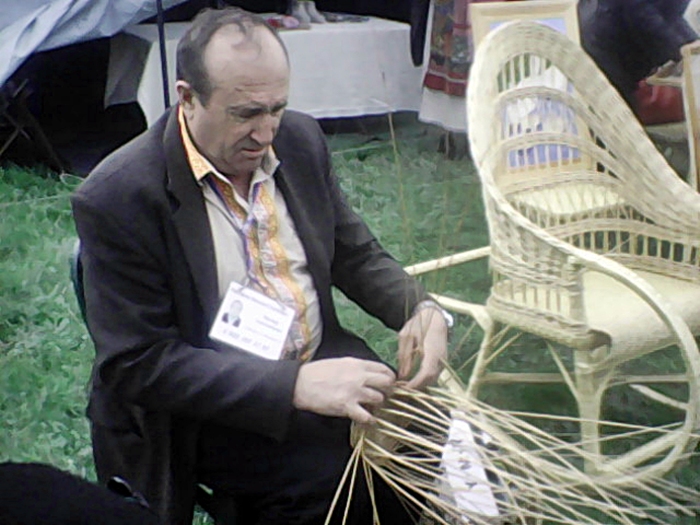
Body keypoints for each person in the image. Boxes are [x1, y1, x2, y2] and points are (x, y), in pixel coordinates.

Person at [71, 7, 449, 525]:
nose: (266, 132)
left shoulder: (299, 140)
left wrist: (420, 308)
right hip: (214, 400)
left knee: (424, 438)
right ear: (187, 97)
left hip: (317, 359)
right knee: (335, 487)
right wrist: (292, 386)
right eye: (246, 113)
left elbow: (354, 253)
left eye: (277, 108)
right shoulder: (121, 195)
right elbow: (138, 362)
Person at [579, 0, 698, 109]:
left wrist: (691, 46)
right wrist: (682, 51)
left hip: (608, 35)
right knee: (619, 107)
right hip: (611, 47)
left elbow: (670, 15)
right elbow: (643, 16)